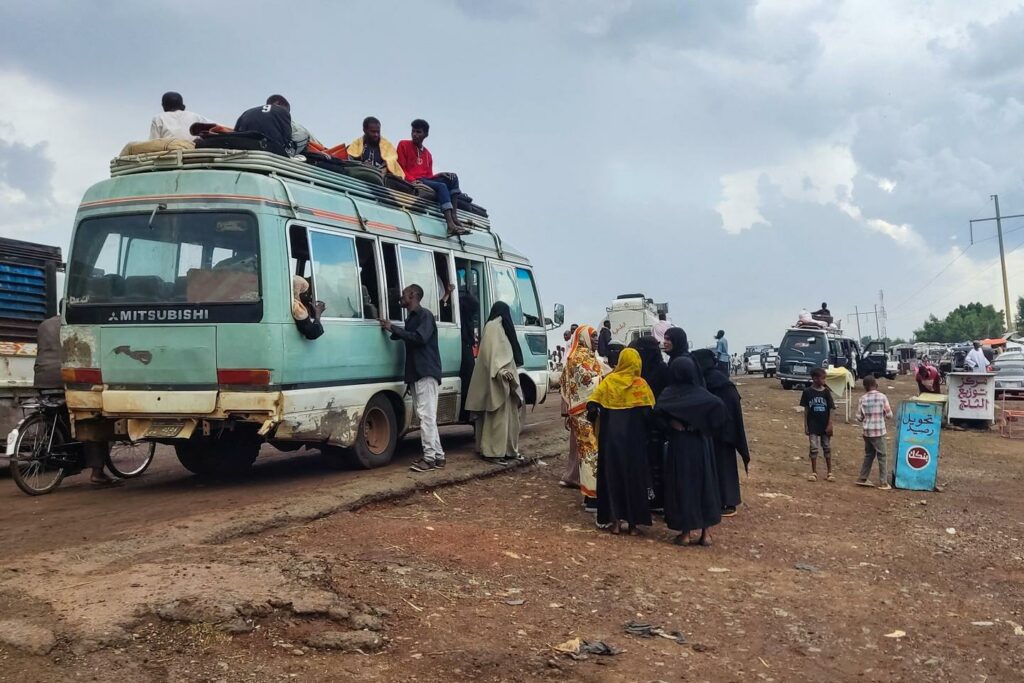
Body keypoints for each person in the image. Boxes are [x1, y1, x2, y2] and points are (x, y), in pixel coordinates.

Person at [34, 314, 119, 487]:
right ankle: (97, 473)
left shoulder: (45, 325)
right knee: (92, 418)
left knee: (56, 418)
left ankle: (64, 463)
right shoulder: (78, 322)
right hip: (66, 377)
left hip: (42, 378)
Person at [655, 356, 727, 546]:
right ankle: (706, 533)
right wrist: (704, 426)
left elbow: (657, 413)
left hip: (681, 444)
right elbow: (719, 408)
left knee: (683, 484)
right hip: (702, 444)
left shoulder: (670, 393)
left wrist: (672, 423)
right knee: (705, 484)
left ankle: (685, 533)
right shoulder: (702, 395)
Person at [586, 348, 655, 534]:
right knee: (634, 478)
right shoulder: (641, 385)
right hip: (635, 443)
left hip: (611, 441)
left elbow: (591, 405)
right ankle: (633, 525)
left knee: (612, 476)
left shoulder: (609, 382)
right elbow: (650, 415)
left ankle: (615, 522)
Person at [379, 285, 444, 472]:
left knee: (426, 417)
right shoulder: (413, 317)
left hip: (426, 372)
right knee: (427, 417)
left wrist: (393, 328)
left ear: (413, 295)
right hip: (417, 373)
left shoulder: (425, 315)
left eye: (404, 294)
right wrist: (393, 329)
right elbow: (407, 336)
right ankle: (438, 457)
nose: (401, 297)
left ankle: (430, 459)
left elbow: (419, 338)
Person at [693, 349, 750, 517]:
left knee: (720, 466)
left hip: (718, 432)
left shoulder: (710, 381)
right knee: (725, 465)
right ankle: (727, 500)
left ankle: (726, 502)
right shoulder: (721, 379)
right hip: (726, 431)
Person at [465, 302, 524, 462]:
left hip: (506, 381)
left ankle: (507, 451)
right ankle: (492, 452)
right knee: (496, 419)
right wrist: (500, 371)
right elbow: (490, 357)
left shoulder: (498, 328)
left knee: (510, 419)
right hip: (496, 381)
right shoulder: (493, 327)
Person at [397, 120, 470, 236]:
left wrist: (440, 175)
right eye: (413, 131)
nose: (415, 134)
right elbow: (400, 168)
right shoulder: (403, 145)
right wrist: (412, 180)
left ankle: (454, 216)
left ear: (425, 135)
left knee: (452, 177)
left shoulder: (427, 154)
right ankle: (450, 224)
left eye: (418, 132)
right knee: (442, 186)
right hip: (416, 180)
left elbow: (429, 175)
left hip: (426, 180)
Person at [560, 325, 604, 509]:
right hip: (583, 412)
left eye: (597, 336)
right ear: (584, 337)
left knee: (589, 454)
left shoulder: (586, 355)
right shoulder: (578, 358)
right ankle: (592, 497)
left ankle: (590, 494)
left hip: (586, 412)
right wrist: (604, 380)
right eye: (592, 336)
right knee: (590, 454)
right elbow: (587, 383)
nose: (595, 339)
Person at [631, 335, 670, 512]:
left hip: (657, 422)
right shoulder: (642, 369)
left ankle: (659, 499)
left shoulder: (661, 370)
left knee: (656, 463)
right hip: (644, 422)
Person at [855, 375, 893, 489]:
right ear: (876, 385)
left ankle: (863, 477)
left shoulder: (862, 399)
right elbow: (889, 415)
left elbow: (859, 417)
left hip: (867, 432)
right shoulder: (882, 397)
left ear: (865, 387)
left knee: (869, 454)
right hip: (879, 431)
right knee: (882, 456)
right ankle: (883, 482)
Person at [800, 367, 835, 482]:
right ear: (815, 379)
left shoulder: (826, 392)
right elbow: (806, 410)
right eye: (823, 378)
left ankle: (830, 472)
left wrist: (830, 424)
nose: (824, 380)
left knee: (827, 447)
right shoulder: (807, 392)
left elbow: (831, 409)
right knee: (814, 448)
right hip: (813, 424)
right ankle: (814, 472)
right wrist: (805, 425)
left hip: (825, 424)